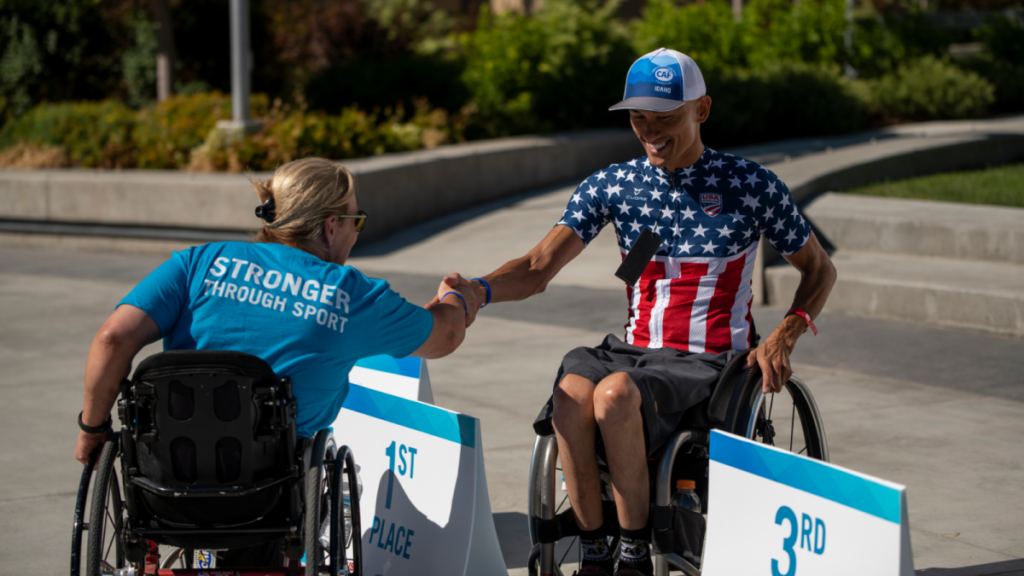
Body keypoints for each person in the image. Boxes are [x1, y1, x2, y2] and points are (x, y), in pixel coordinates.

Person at [456, 48, 836, 576]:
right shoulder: (614, 185)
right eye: (639, 118)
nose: (650, 131)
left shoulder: (750, 186)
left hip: (709, 360)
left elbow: (820, 270)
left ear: (701, 110)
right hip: (635, 351)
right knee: (570, 390)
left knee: (612, 395)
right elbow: (539, 265)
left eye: (665, 118)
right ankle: (594, 548)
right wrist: (476, 291)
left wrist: (784, 335)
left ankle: (634, 550)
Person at [73, 157, 480, 564]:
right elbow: (444, 335)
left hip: (167, 482)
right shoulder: (352, 296)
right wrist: (458, 297)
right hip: (270, 496)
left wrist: (92, 427)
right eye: (356, 221)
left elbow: (112, 339)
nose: (355, 233)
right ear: (330, 225)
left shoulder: (197, 263)